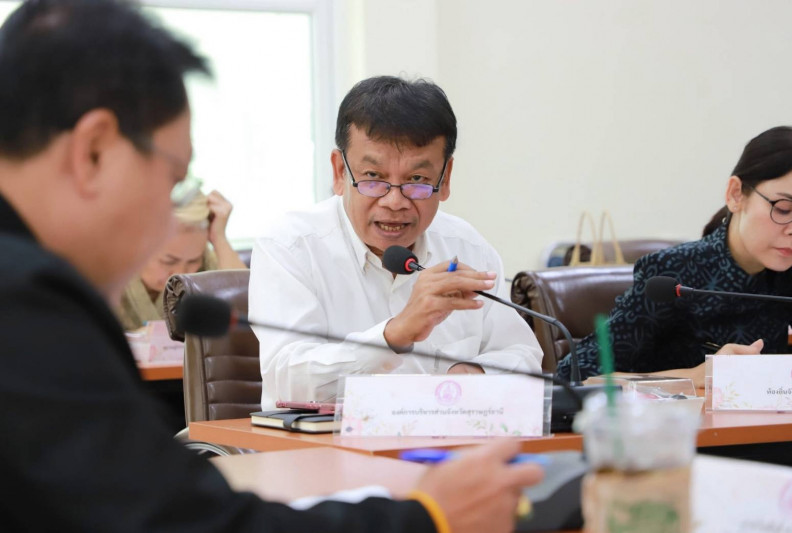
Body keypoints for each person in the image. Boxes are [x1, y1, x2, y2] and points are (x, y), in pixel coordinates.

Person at [0, 2, 542, 532]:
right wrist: (428, 517)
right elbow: (183, 519)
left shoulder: (31, 289)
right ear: (93, 152)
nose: (168, 220)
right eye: (173, 182)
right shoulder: (28, 308)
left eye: (417, 180)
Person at [249, 76, 543, 409]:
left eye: (417, 179)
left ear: (445, 178)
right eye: (373, 177)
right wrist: (394, 334)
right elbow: (289, 381)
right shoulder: (291, 246)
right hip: (324, 441)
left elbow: (524, 356)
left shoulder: (467, 248)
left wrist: (472, 374)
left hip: (449, 437)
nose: (394, 202)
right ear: (340, 172)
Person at [558, 126, 792, 388]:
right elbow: (573, 375)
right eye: (783, 209)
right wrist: (696, 375)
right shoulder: (671, 273)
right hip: (668, 414)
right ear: (735, 194)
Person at [117, 188, 247, 331]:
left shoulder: (205, 261)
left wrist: (219, 238)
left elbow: (246, 305)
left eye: (193, 261)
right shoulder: (107, 274)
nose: (180, 273)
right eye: (168, 261)